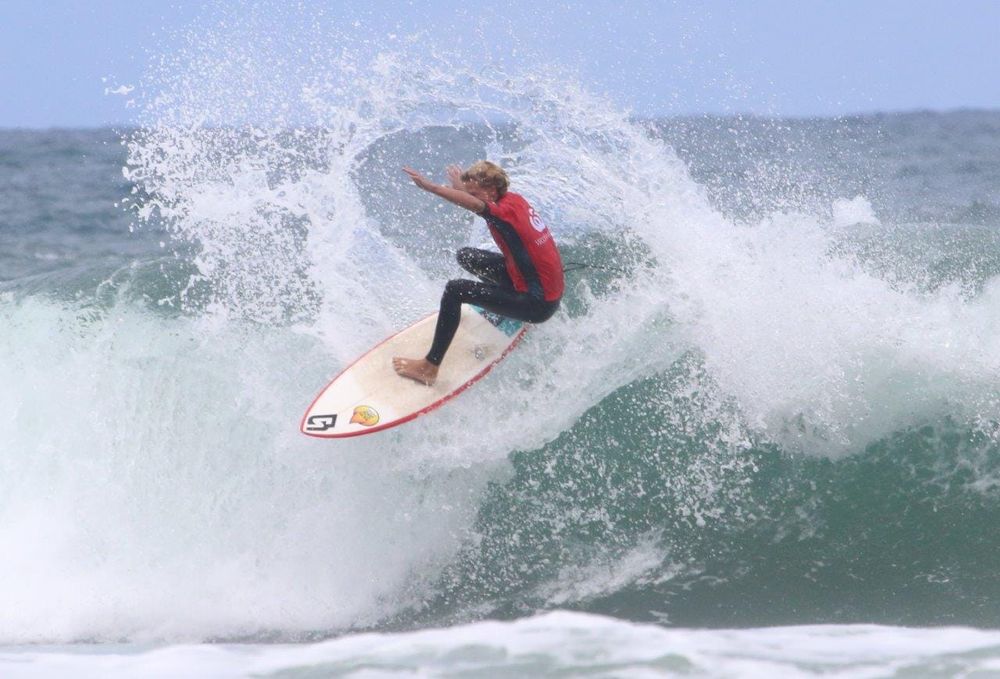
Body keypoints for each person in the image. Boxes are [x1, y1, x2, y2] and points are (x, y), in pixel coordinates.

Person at [393, 161, 564, 386]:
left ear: (492, 191)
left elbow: (478, 205)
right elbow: (479, 204)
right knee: (467, 256)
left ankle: (429, 367)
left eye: (474, 193)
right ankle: (506, 302)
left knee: (455, 290)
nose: (471, 199)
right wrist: (463, 189)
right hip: (535, 285)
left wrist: (432, 187)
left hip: (538, 303)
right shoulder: (513, 201)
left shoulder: (501, 212)